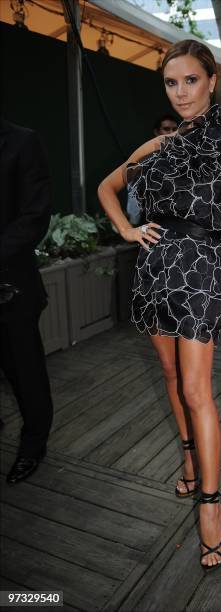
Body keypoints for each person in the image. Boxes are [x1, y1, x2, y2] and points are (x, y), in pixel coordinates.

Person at [98, 40, 221, 571]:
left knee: (195, 387)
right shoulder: (159, 145)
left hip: (203, 268)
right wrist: (128, 229)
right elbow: (107, 187)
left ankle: (212, 505)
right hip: (156, 264)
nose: (181, 92)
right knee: (168, 373)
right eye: (171, 82)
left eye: (190, 80)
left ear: (211, 80)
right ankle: (187, 455)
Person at [0, 119, 53, 484]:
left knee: (25, 371)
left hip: (11, 285)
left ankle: (33, 445)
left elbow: (35, 216)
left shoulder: (23, 141)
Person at [126, 114, 179, 225]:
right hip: (151, 221)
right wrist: (133, 223)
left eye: (174, 129)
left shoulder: (184, 155)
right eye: (166, 129)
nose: (170, 132)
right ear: (157, 132)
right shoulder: (145, 156)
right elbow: (132, 188)